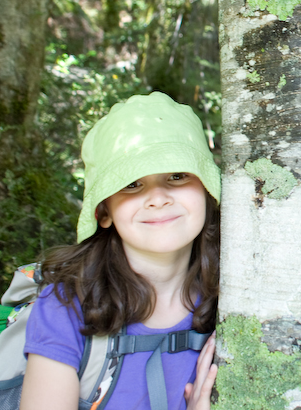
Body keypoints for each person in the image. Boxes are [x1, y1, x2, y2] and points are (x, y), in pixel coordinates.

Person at [20, 92, 220, 410]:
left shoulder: (236, 297)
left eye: (178, 175)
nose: (158, 198)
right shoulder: (65, 306)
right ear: (104, 212)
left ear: (208, 191)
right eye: (131, 184)